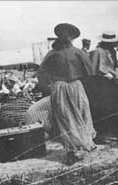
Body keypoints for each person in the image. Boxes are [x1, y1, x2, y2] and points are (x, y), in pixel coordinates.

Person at [37, 23, 97, 164]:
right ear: (71, 38)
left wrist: (48, 88)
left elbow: (41, 74)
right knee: (75, 117)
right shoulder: (77, 52)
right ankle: (76, 150)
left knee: (67, 119)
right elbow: (89, 73)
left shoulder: (53, 54)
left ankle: (74, 150)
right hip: (73, 87)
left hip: (63, 88)